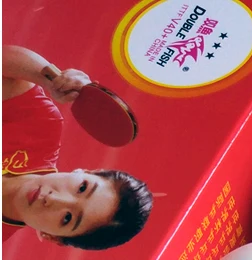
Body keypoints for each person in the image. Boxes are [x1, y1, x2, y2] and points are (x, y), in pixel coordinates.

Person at [2, 45, 152, 249]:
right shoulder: (40, 129)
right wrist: (52, 79)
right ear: (86, 172)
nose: (54, 198)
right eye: (82, 187)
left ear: (52, 237)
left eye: (67, 218)